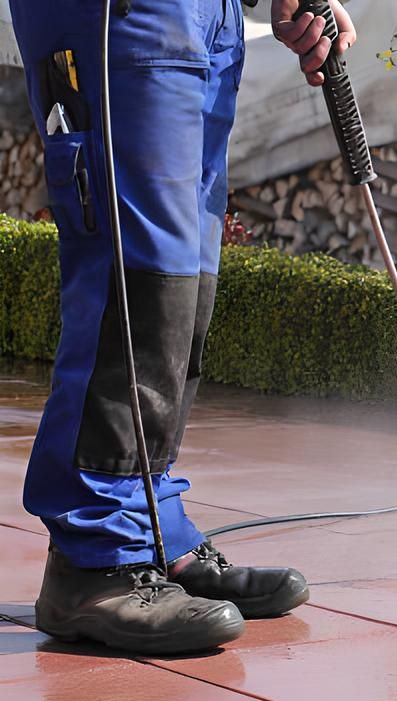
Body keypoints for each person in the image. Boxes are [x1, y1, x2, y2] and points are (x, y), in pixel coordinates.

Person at [8, 0, 357, 655]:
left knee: (186, 269)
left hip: (206, 14)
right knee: (135, 266)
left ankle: (151, 529)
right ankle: (95, 558)